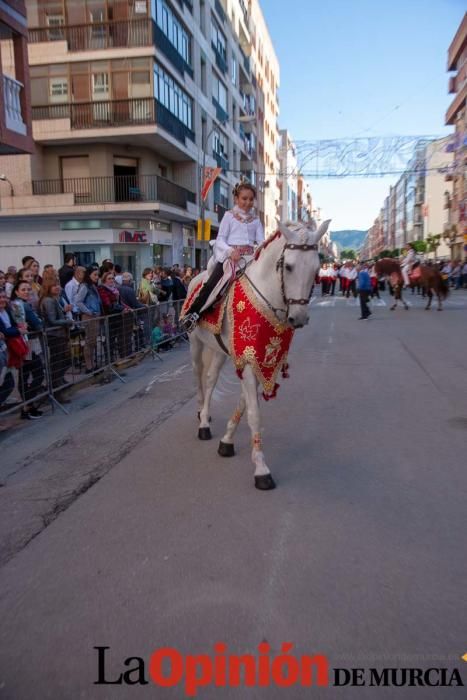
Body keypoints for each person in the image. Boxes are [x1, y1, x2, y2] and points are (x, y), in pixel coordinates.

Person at [182, 182, 264, 330]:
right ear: (236, 199)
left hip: (250, 259)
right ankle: (193, 314)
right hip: (230, 258)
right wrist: (230, 251)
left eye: (251, 199)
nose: (248, 202)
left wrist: (259, 249)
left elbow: (261, 241)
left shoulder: (256, 220)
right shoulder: (229, 216)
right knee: (212, 283)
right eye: (244, 198)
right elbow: (220, 239)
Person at [10, 281, 45, 419]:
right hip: (25, 344)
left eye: (28, 289)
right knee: (36, 373)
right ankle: (27, 406)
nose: (27, 292)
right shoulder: (20, 305)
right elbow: (37, 324)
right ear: (17, 292)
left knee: (25, 375)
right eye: (23, 289)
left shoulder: (19, 304)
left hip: (26, 343)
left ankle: (27, 406)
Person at [39, 279, 73, 390]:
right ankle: (56, 388)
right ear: (48, 287)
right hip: (54, 335)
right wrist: (68, 322)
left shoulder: (54, 299)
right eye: (53, 285)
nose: (57, 287)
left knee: (64, 360)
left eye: (58, 284)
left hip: (59, 334)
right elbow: (52, 320)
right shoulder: (48, 300)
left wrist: (63, 312)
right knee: (57, 362)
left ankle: (58, 382)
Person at [75, 267, 103, 373]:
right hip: (89, 317)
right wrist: (88, 311)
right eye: (95, 275)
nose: (97, 277)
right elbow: (78, 301)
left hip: (94, 316)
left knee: (92, 342)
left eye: (97, 275)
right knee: (89, 342)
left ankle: (91, 364)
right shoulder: (85, 286)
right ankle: (89, 366)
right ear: (89, 275)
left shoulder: (92, 286)